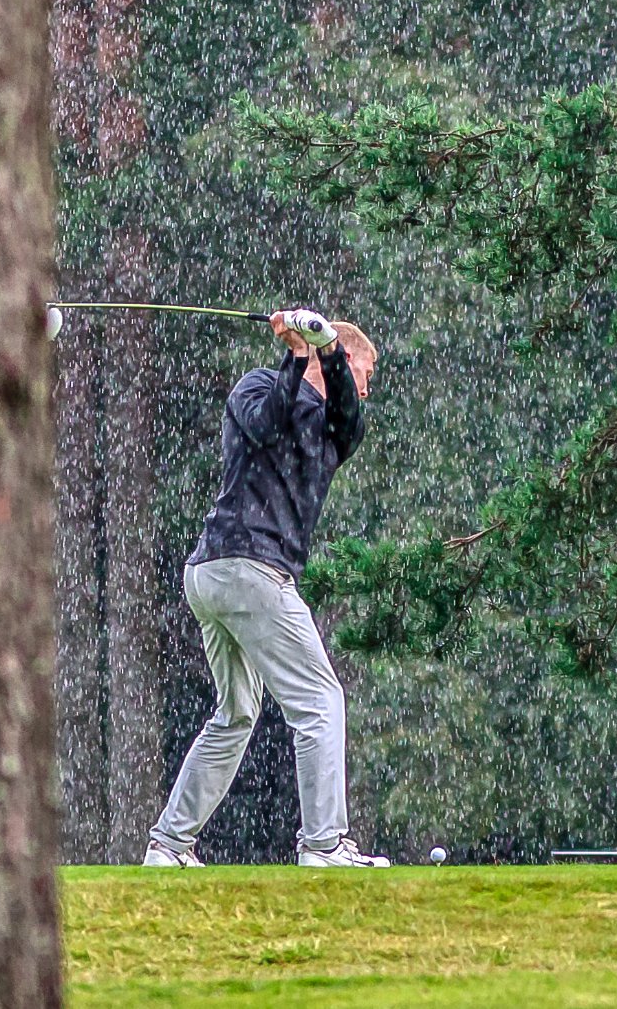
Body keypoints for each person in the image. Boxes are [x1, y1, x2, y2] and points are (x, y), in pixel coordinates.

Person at [144, 308, 389, 868]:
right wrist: (299, 354)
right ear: (350, 363)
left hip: (220, 576)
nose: (365, 392)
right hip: (243, 570)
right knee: (321, 703)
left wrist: (321, 347)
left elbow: (345, 415)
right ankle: (325, 844)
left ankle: (170, 845)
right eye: (366, 375)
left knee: (235, 714)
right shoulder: (259, 386)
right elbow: (267, 424)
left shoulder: (335, 425)